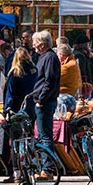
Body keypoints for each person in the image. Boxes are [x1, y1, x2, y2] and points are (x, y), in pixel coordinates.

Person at [2, 47, 38, 182]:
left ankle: (17, 172)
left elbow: (10, 95)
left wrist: (7, 110)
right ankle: (30, 169)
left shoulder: (15, 73)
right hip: (30, 108)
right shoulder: (34, 71)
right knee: (29, 139)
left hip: (16, 109)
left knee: (15, 142)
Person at [31, 30, 60, 177]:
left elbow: (49, 81)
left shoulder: (49, 57)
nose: (33, 45)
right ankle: (45, 167)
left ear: (42, 45)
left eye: (35, 42)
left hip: (45, 102)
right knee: (42, 135)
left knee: (45, 136)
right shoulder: (44, 56)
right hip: (42, 100)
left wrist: (41, 99)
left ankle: (47, 169)